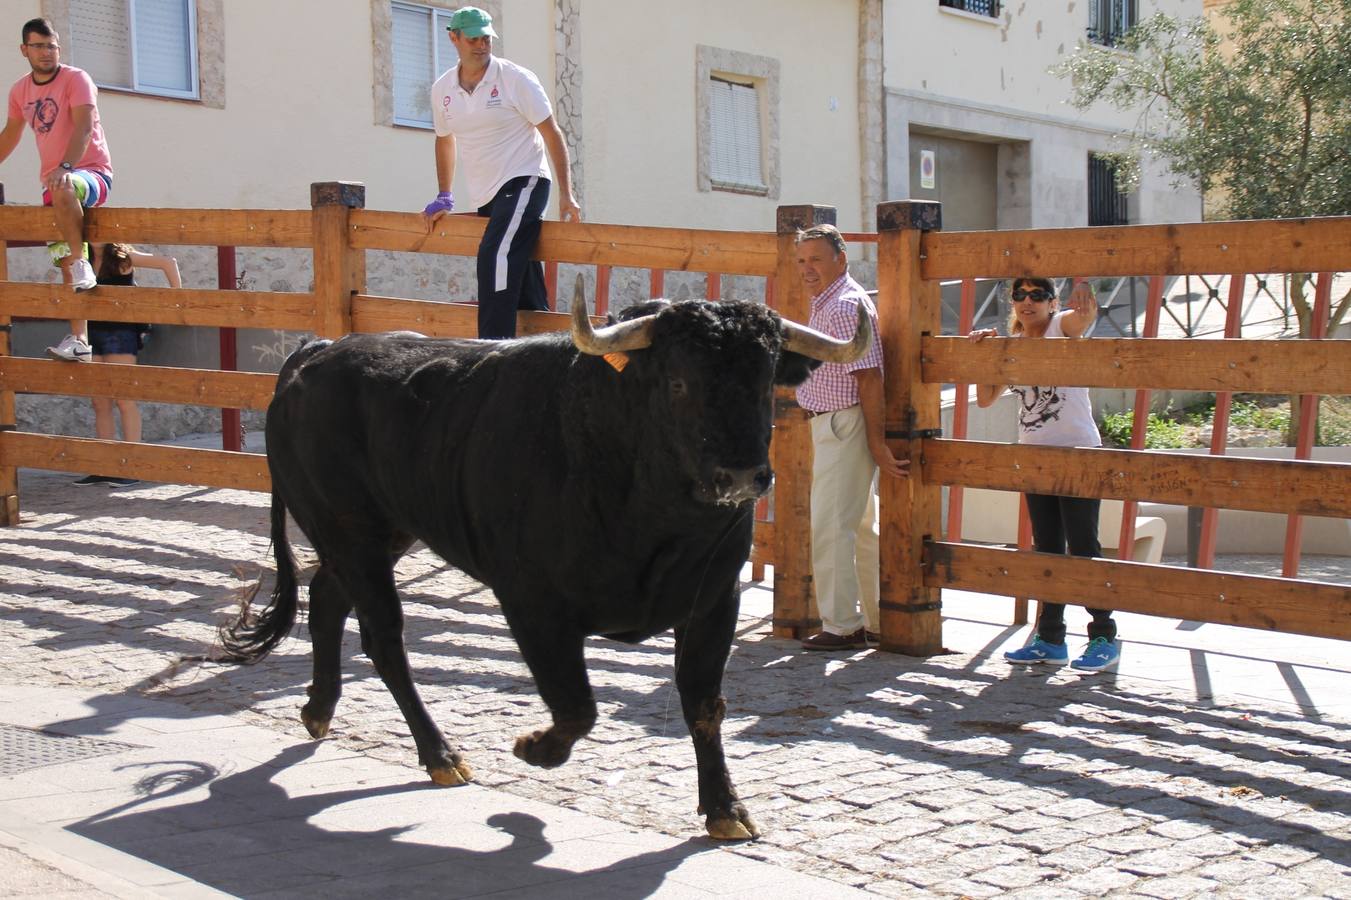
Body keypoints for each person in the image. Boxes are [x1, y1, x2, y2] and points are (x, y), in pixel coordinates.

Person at [969, 277, 1121, 672]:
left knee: (1084, 547)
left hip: (1078, 454)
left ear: (1052, 304)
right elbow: (985, 399)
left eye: (1038, 295)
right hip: (1035, 457)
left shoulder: (1060, 328)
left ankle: (1104, 635)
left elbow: (1080, 319)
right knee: (1048, 548)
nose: (1027, 301)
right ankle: (1051, 638)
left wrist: (1084, 298)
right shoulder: (1013, 347)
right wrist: (986, 355)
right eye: (1019, 295)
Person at [422, 6, 580, 339]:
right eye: (474, 38)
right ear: (454, 38)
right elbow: (444, 140)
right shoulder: (442, 89)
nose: (482, 45)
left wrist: (567, 194)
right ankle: (544, 351)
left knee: (496, 255)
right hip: (487, 194)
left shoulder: (515, 79)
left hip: (526, 180)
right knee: (521, 276)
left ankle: (492, 351)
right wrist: (444, 195)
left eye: (487, 38)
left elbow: (552, 133)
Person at [795, 225, 909, 651]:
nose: (808, 268)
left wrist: (877, 444)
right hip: (838, 420)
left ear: (840, 259)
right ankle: (873, 620)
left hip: (842, 422)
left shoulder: (842, 306)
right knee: (859, 526)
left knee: (831, 525)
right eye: (803, 260)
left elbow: (870, 378)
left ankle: (842, 625)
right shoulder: (832, 300)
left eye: (817, 259)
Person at [0, 18, 114, 363]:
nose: (47, 52)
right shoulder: (21, 91)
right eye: (39, 46)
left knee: (66, 191)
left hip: (91, 173)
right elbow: (10, 134)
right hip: (54, 181)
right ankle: (80, 341)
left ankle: (83, 262)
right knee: (67, 265)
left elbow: (83, 128)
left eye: (52, 46)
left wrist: (67, 167)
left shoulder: (77, 79)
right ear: (25, 50)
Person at [71, 243, 180, 487]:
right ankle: (105, 467)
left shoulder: (122, 257)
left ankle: (132, 466)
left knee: (124, 399)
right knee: (99, 402)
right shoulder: (81, 257)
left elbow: (167, 262)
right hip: (93, 332)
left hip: (120, 333)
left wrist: (178, 301)